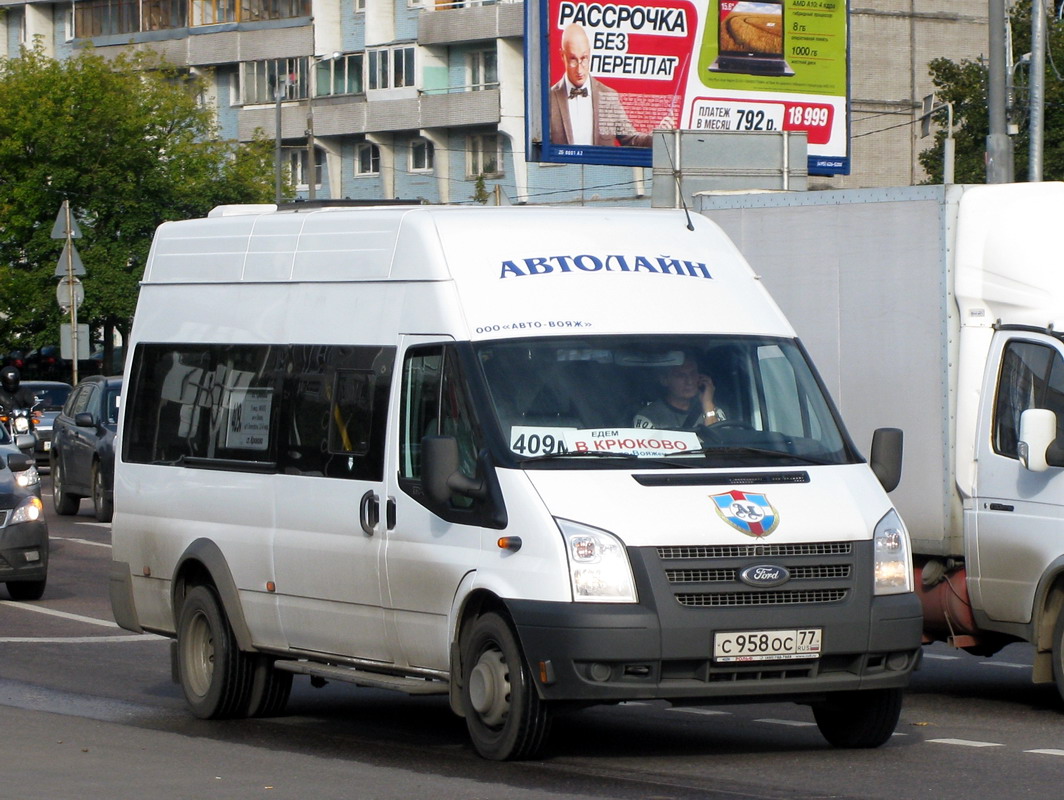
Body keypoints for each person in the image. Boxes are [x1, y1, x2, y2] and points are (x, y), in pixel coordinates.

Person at [548, 24, 654, 148]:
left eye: (584, 58)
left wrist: (656, 137)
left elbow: (631, 139)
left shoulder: (608, 96)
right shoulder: (548, 99)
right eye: (573, 59)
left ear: (590, 53)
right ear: (562, 56)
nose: (579, 68)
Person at [633, 356, 726, 429]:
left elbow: (721, 449)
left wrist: (707, 404)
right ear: (664, 380)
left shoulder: (714, 411)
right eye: (680, 375)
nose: (689, 381)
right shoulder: (649, 417)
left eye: (693, 373)